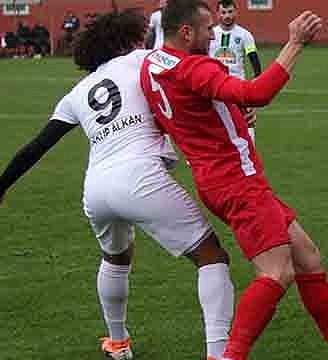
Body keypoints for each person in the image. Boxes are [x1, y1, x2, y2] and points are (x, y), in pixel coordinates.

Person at [0, 10, 235, 360]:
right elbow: (192, 76)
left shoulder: (76, 94)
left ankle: (118, 342)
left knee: (115, 257)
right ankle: (218, 355)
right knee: (212, 257)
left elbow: (37, 146)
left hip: (96, 189)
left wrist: (2, 186)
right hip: (140, 177)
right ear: (127, 41)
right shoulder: (142, 59)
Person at [139, 1, 328, 360]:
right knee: (277, 273)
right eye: (207, 28)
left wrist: (231, 110)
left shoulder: (153, 64)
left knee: (307, 256)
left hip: (215, 178)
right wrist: (295, 43)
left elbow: (189, 110)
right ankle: (230, 356)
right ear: (185, 32)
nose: (214, 34)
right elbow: (259, 93)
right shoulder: (194, 67)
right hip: (237, 181)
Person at [209, 0, 261, 142]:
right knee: (215, 125)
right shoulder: (210, 34)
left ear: (236, 12)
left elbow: (253, 58)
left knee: (246, 123)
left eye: (230, 12)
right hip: (215, 88)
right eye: (223, 12)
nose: (227, 16)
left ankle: (250, 152)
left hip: (238, 88)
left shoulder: (245, 35)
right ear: (218, 14)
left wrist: (257, 78)